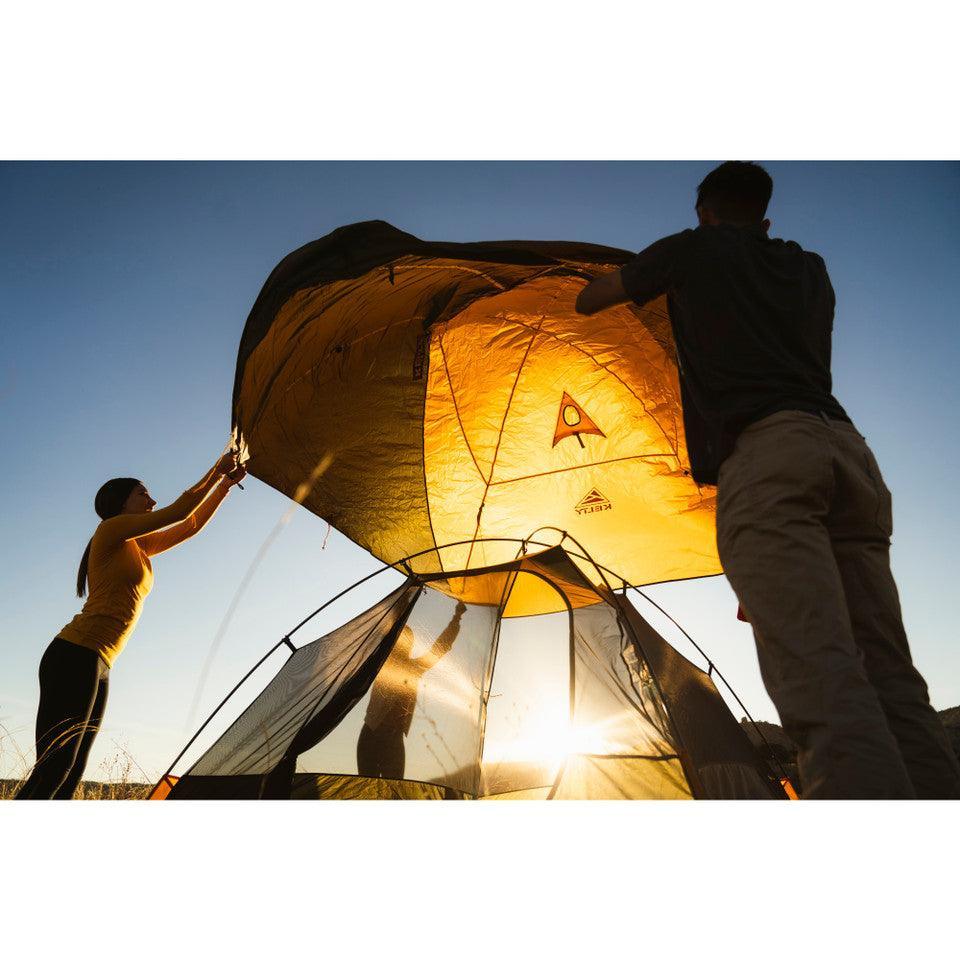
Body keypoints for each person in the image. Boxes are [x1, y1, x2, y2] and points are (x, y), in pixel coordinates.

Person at [575, 161, 960, 799]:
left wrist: (654, 271)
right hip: (848, 455)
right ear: (765, 216)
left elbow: (589, 299)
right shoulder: (810, 269)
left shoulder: (692, 250)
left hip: (768, 457)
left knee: (820, 677)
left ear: (704, 211)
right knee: (891, 675)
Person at [15, 452, 246, 799]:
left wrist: (225, 484)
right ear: (120, 502)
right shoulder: (110, 530)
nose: (152, 501)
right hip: (75, 653)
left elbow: (191, 524)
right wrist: (217, 470)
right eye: (143, 494)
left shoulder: (137, 545)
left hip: (100, 662)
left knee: (72, 771)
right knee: (54, 767)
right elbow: (180, 511)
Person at [357, 601, 466, 780]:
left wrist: (456, 618)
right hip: (372, 735)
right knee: (369, 790)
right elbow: (389, 628)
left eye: (406, 642)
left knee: (394, 791)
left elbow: (440, 647)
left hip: (393, 738)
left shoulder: (413, 668)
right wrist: (405, 599)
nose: (404, 646)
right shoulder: (383, 664)